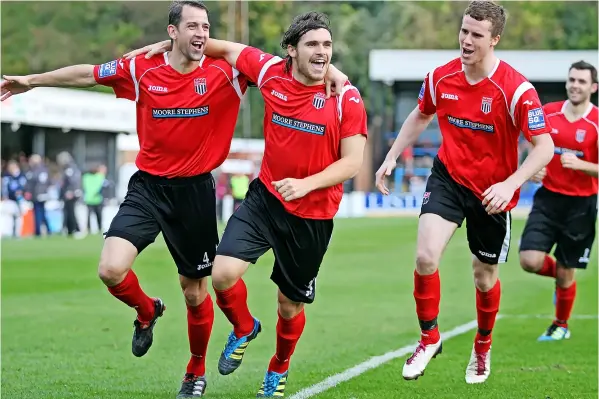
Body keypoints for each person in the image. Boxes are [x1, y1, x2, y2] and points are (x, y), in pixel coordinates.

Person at [3, 2, 348, 397]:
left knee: (194, 289)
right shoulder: (142, 68)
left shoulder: (228, 72)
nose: (201, 33)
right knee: (110, 269)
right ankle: (147, 311)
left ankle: (195, 372)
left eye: (206, 27)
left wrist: (332, 69)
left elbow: (287, 66)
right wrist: (31, 80)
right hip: (148, 187)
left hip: (195, 193)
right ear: (172, 32)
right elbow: (88, 73)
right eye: (192, 26)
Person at [130, 11, 367, 397]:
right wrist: (164, 47)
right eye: (312, 45)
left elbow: (353, 162)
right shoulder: (270, 71)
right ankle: (244, 327)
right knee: (221, 274)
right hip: (265, 200)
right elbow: (216, 46)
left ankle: (278, 367)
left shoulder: (346, 98)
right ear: (291, 51)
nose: (322, 52)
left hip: (312, 215)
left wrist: (306, 184)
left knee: (289, 307)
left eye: (327, 45)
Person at [375, 0, 554, 384]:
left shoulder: (517, 89)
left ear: (495, 40)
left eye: (477, 34)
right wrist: (391, 156)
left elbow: (544, 147)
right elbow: (421, 113)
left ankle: (482, 347)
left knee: (483, 276)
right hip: (449, 179)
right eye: (463, 31)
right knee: (425, 257)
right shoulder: (440, 77)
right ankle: (429, 339)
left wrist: (510, 183)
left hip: (493, 192)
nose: (466, 40)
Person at [519, 60, 598, 341]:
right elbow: (531, 142)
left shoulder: (596, 122)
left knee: (567, 270)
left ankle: (560, 325)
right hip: (548, 199)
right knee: (529, 260)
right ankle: (563, 282)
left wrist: (583, 166)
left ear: (593, 87)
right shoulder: (548, 113)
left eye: (581, 81)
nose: (575, 85)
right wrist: (534, 167)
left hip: (582, 204)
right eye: (572, 80)